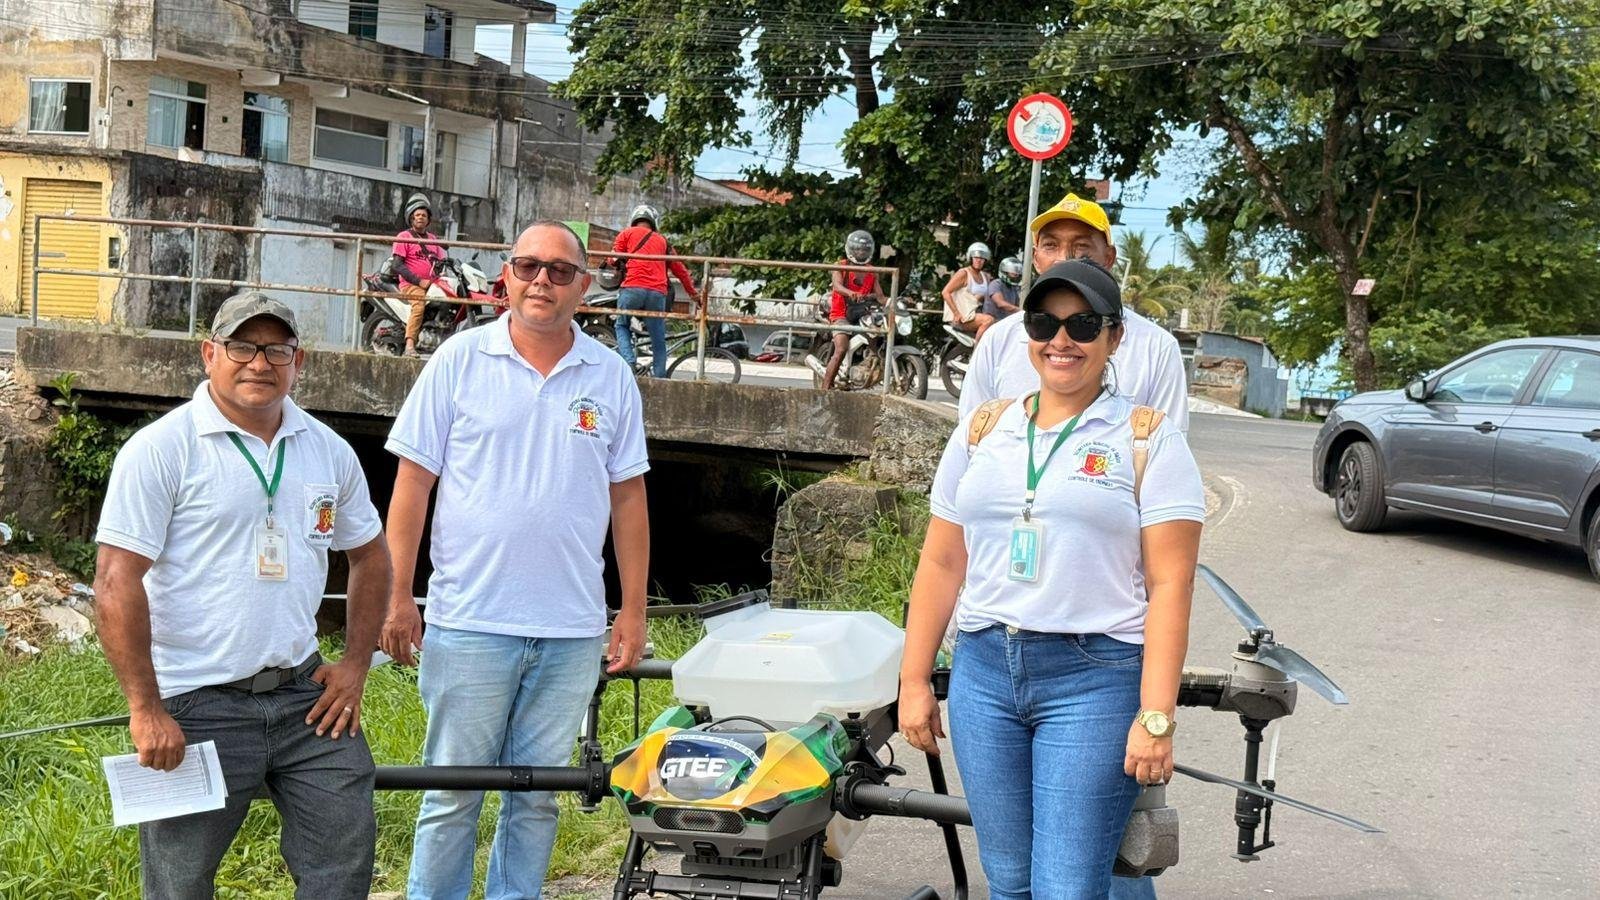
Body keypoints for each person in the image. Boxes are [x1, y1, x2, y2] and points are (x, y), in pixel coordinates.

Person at [899, 259, 1205, 899]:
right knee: (1008, 881)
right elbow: (941, 562)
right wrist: (914, 680)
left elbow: (1171, 586)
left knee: (1067, 886)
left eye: (1082, 324)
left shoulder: (1148, 439)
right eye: (1043, 321)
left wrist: (1155, 716)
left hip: (1093, 678)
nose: (1060, 340)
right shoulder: (984, 429)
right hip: (984, 670)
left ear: (1114, 337)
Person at [382, 221, 651, 900]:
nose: (542, 281)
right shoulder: (459, 360)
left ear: (584, 287)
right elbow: (413, 485)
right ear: (505, 275)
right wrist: (396, 596)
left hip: (570, 629)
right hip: (469, 621)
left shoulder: (611, 375)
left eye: (561, 271)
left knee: (536, 798)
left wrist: (633, 610)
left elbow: (629, 501)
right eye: (530, 266)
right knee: (451, 797)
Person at [94, 291, 392, 900]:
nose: (260, 362)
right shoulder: (161, 449)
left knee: (343, 856)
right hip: (196, 701)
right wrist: (147, 709)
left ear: (297, 361)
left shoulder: (327, 450)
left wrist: (356, 664)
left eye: (276, 349)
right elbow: (115, 579)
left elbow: (370, 554)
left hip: (306, 699)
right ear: (210, 354)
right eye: (242, 346)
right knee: (180, 882)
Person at [958, 194, 1190, 433]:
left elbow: (1168, 444)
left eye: (1082, 247)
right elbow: (971, 436)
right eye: (1051, 245)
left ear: (1109, 258)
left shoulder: (1157, 348)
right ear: (1036, 259)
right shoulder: (998, 340)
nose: (1065, 258)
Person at [609, 203, 702, 376]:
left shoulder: (626, 234)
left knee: (622, 325)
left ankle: (629, 362)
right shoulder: (663, 241)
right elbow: (680, 270)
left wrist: (618, 261)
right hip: (657, 294)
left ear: (634, 219)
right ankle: (660, 378)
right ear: (653, 222)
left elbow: (612, 259)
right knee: (658, 339)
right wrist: (693, 294)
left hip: (632, 289)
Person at [820, 229, 886, 391]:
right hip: (841, 313)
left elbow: (880, 297)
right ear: (851, 249)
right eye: (858, 249)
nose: (861, 252)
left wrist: (896, 301)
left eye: (865, 249)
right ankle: (825, 387)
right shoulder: (841, 266)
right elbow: (837, 286)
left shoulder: (872, 270)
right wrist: (851, 293)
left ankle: (870, 359)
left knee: (877, 332)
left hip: (862, 312)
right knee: (841, 348)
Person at [393, 193, 446, 357]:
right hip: (410, 285)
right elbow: (397, 265)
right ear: (411, 218)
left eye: (424, 215)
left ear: (428, 219)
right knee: (419, 305)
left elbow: (441, 260)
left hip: (431, 284)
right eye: (417, 215)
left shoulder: (433, 239)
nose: (420, 218)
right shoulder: (404, 237)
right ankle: (410, 345)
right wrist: (419, 281)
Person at [942, 241, 997, 341]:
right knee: (988, 320)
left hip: (978, 313)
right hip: (964, 316)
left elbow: (989, 297)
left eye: (982, 258)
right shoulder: (963, 273)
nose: (978, 261)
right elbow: (945, 292)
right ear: (970, 258)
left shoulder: (986, 277)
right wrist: (956, 313)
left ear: (986, 260)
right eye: (976, 257)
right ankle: (978, 351)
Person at [981, 255, 1024, 321]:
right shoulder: (996, 284)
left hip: (1005, 322)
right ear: (1005, 272)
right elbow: (1000, 303)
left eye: (1017, 274)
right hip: (993, 321)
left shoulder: (1013, 288)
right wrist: (1021, 311)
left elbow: (1017, 304)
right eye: (1013, 274)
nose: (1016, 276)